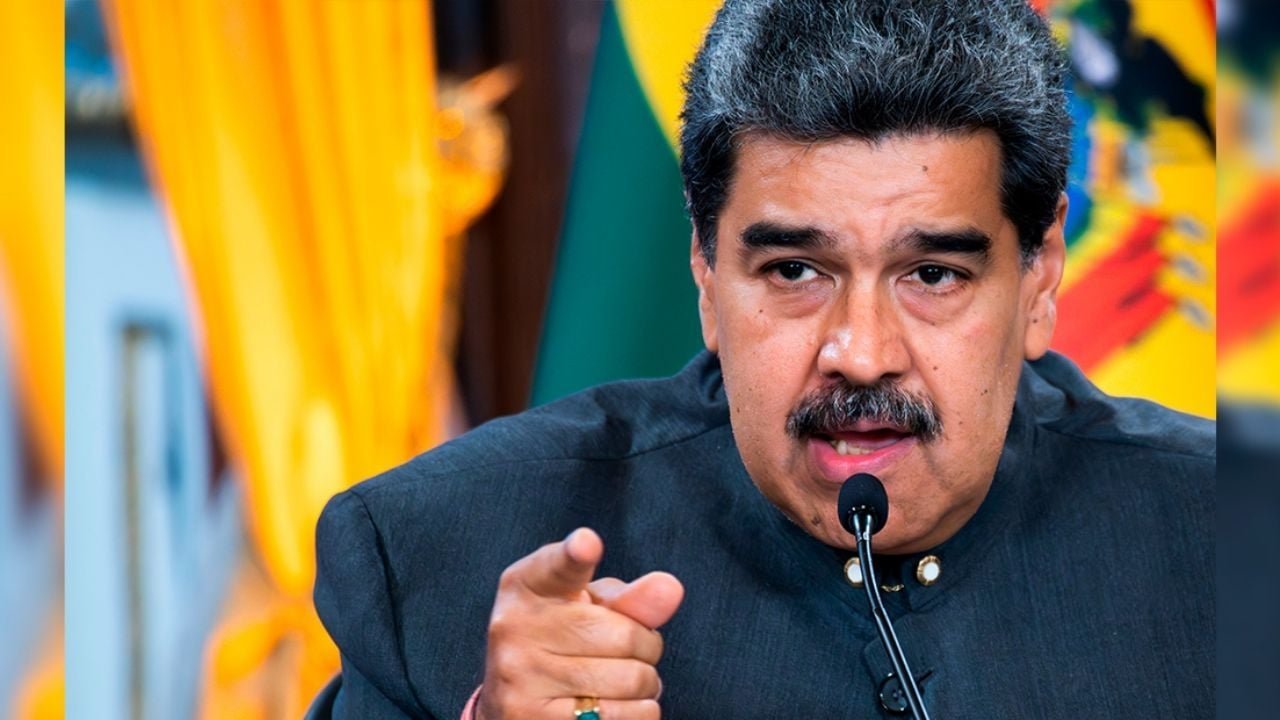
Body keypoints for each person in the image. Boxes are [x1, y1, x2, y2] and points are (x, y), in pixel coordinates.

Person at [311, 1, 1214, 718]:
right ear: (706, 274)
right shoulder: (438, 552)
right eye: (794, 271)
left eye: (933, 274)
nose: (862, 354)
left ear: (1040, 276)